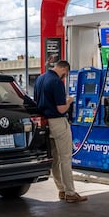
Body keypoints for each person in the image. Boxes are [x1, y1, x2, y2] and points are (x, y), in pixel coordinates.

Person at [33, 60, 88, 203]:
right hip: (58, 122)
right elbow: (61, 109)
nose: (65, 77)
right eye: (66, 74)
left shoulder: (40, 79)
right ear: (64, 68)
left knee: (55, 160)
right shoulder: (56, 82)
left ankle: (62, 190)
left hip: (45, 123)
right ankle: (70, 192)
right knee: (65, 158)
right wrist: (69, 101)